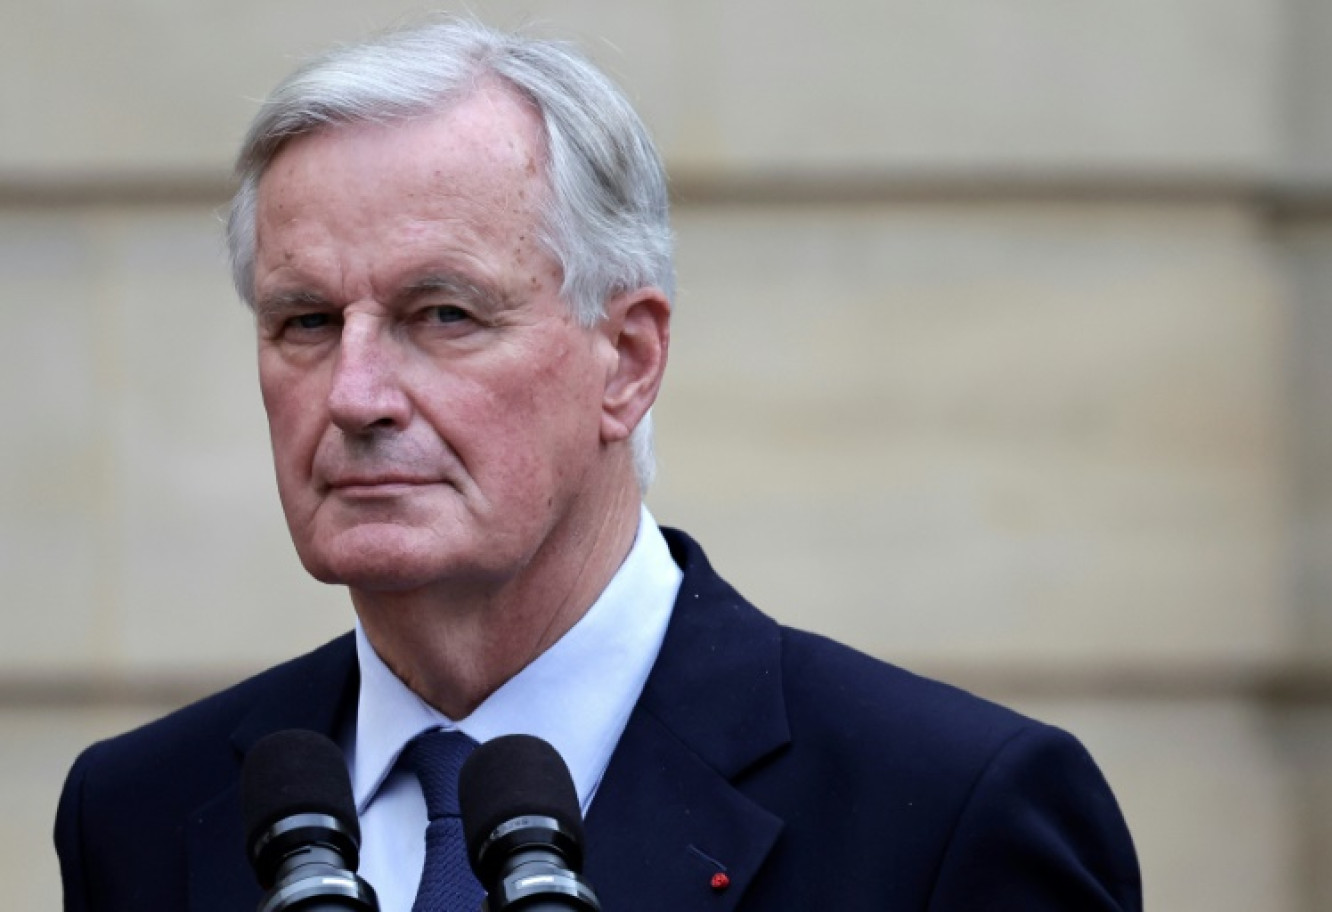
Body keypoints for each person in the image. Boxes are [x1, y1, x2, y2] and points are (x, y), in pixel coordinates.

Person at [54, 17, 1142, 911]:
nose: (356, 395)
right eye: (304, 321)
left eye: (443, 313)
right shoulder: (143, 812)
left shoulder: (947, 811)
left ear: (626, 360)